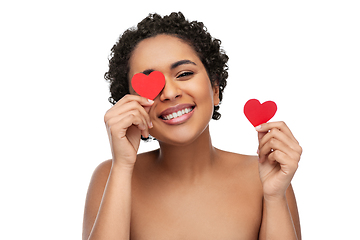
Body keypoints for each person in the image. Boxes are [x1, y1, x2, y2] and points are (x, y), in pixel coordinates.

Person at [82, 12, 302, 240]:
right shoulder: (111, 176)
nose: (169, 93)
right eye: (152, 84)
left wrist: (275, 197)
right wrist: (123, 166)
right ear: (130, 105)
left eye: (184, 74)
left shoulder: (266, 178)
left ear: (215, 88)